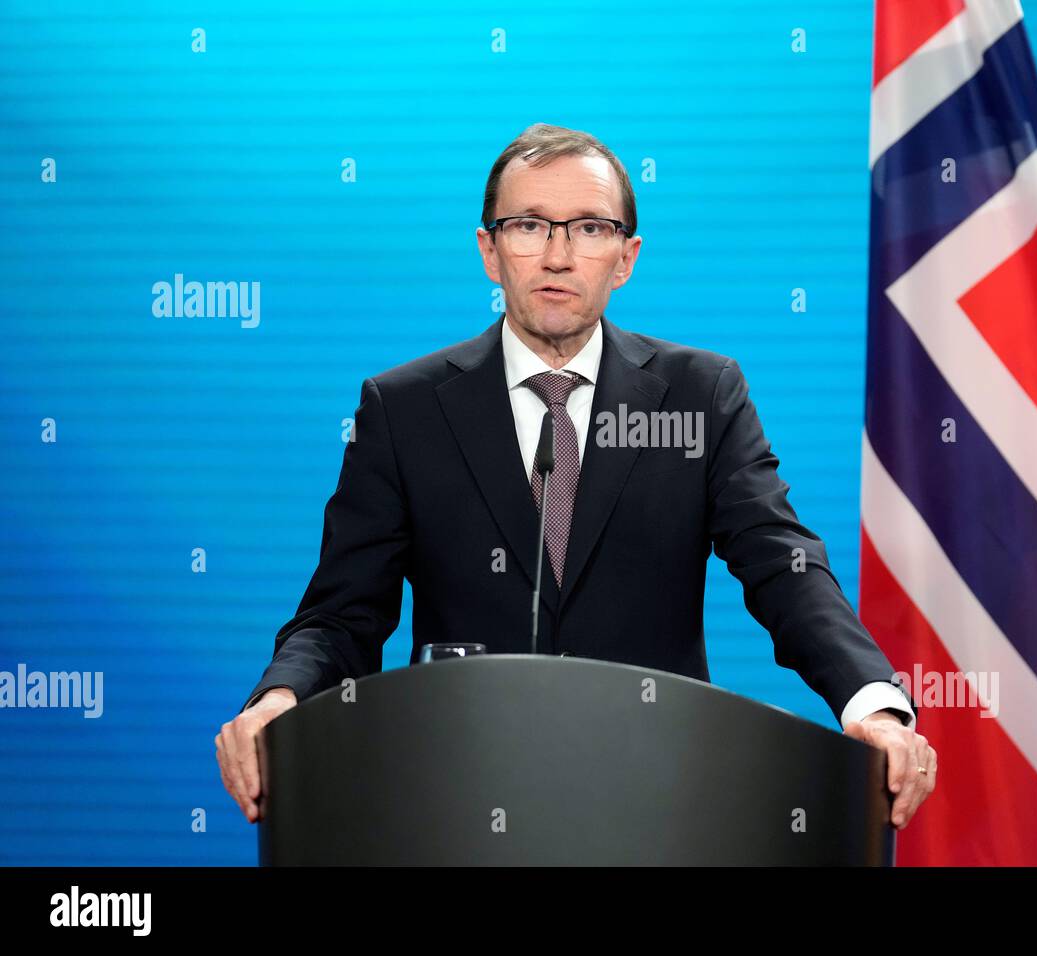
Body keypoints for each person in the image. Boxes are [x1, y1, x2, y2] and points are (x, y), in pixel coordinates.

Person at [216, 123, 937, 834]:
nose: (557, 255)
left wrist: (871, 703)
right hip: (458, 803)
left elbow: (784, 566)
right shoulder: (403, 409)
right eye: (529, 225)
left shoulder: (700, 394)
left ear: (626, 257)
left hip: (657, 803)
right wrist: (280, 702)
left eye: (590, 228)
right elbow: (343, 615)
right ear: (489, 251)